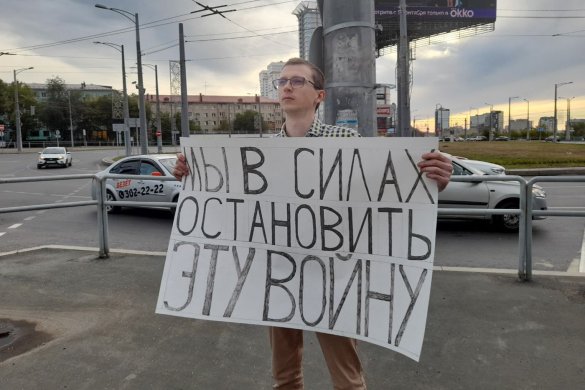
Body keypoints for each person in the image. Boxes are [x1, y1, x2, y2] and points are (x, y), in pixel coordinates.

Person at [173, 58, 452, 389]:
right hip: (279, 275)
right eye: (282, 81)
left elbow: (379, 192)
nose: (287, 86)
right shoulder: (262, 152)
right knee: (285, 378)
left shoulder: (345, 140)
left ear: (319, 96)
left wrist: (434, 180)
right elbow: (239, 205)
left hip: (333, 277)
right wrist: (194, 174)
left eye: (297, 81)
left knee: (348, 379)